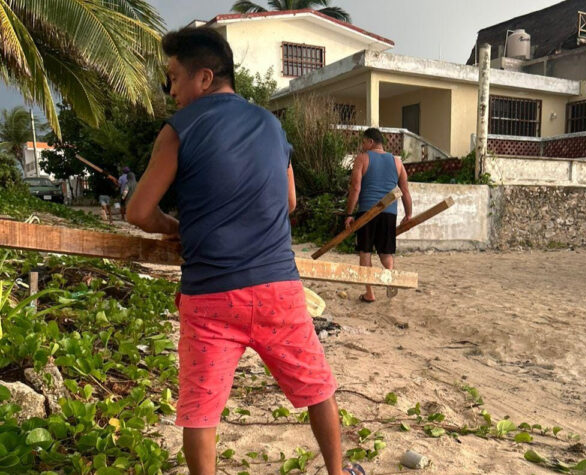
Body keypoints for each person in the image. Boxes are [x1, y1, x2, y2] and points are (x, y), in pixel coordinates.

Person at [126, 27, 363, 475]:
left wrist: (176, 228)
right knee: (317, 387)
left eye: (173, 78)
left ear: (204, 78)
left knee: (200, 410)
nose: (170, 90)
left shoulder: (178, 130)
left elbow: (139, 211)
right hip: (278, 289)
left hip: (211, 297)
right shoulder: (272, 125)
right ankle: (338, 471)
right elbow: (290, 202)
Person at [344, 128, 412, 303]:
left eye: (363, 142)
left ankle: (370, 293)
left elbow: (355, 188)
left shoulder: (363, 158)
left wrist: (349, 213)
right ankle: (389, 277)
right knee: (385, 252)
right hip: (389, 212)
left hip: (367, 212)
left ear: (370, 142)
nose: (362, 146)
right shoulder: (397, 162)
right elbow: (404, 190)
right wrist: (408, 214)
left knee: (365, 251)